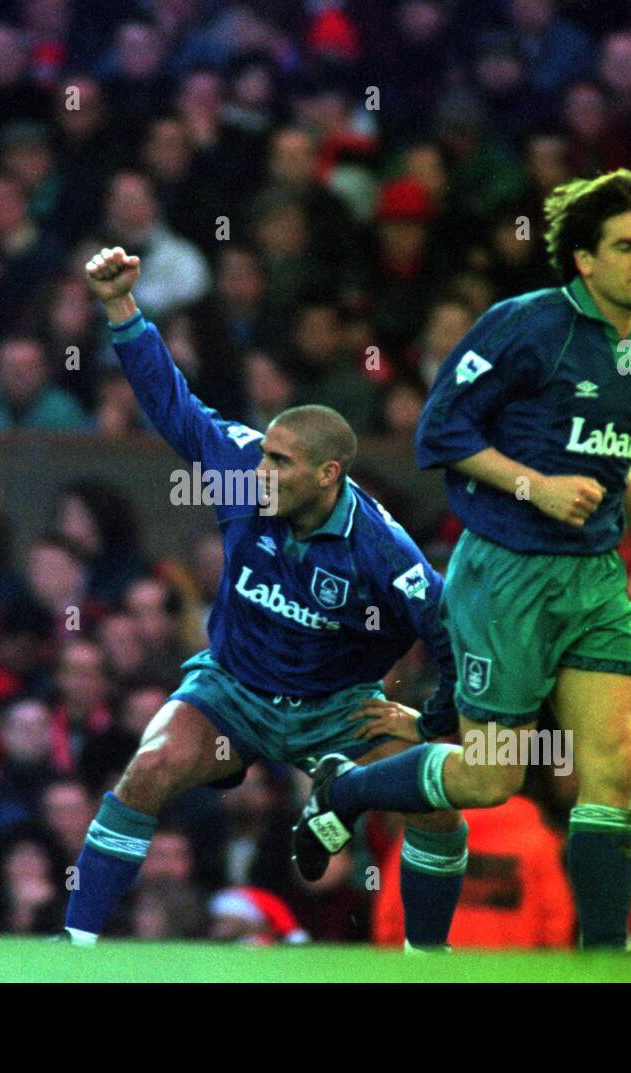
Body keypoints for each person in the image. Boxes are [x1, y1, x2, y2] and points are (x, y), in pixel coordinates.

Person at [298, 170, 631, 950]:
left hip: (595, 576)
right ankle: (347, 789)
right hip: (505, 571)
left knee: (614, 762)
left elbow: (610, 451)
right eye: (626, 247)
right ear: (584, 259)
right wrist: (536, 487)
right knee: (492, 779)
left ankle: (603, 958)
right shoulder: (525, 325)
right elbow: (437, 433)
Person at [60, 246, 463, 952]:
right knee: (150, 765)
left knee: (438, 808)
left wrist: (426, 716)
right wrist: (121, 308)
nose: (262, 470)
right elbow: (173, 406)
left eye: (282, 463)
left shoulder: (386, 553)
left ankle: (426, 962)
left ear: (329, 474)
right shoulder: (243, 470)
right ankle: (76, 945)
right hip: (234, 689)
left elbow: (453, 631)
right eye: (264, 454)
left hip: (338, 710)